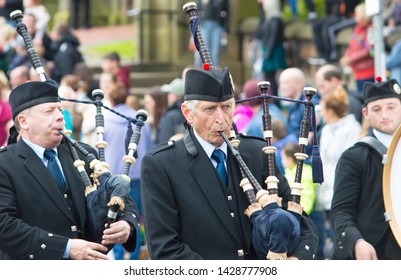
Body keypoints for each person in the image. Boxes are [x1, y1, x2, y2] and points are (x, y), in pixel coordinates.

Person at [140, 66, 318, 260]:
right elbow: (165, 249)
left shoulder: (256, 153)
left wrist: (296, 259)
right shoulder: (162, 165)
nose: (221, 119)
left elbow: (299, 221)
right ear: (187, 113)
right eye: (209, 109)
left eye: (226, 107)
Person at [0, 80, 139, 259]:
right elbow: (4, 225)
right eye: (49, 111)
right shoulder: (5, 164)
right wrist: (65, 248)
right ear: (24, 121)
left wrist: (127, 223)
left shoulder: (83, 154)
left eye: (59, 109)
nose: (60, 116)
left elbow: (118, 193)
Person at [330, 78, 401, 260]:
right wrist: (357, 242)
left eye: (391, 107)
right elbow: (340, 212)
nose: (384, 114)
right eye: (376, 109)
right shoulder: (353, 157)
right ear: (366, 113)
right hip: (373, 252)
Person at [103, 82, 153, 260]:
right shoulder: (141, 121)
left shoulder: (105, 120)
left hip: (114, 176)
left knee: (114, 217)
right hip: (137, 175)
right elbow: (149, 146)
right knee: (135, 216)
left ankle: (117, 255)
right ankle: (133, 257)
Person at [194, 0, 230, 69]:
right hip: (204, 25)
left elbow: (228, 12)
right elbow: (196, 10)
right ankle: (199, 73)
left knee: (215, 53)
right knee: (202, 51)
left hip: (218, 25)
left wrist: (226, 29)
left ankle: (214, 75)